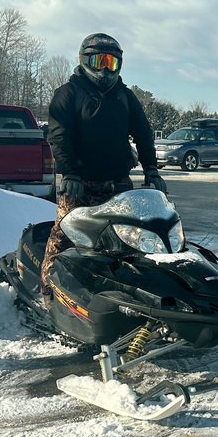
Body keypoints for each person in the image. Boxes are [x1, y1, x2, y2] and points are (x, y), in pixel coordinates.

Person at [40, 32, 167, 309]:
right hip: (80, 183)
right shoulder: (68, 94)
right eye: (100, 61)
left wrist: (152, 170)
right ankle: (48, 293)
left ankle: (130, 297)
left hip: (118, 184)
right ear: (85, 60)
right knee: (64, 236)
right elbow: (59, 135)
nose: (105, 70)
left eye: (112, 63)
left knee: (130, 240)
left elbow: (144, 135)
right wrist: (69, 173)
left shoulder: (125, 96)